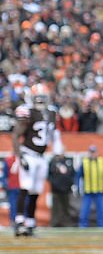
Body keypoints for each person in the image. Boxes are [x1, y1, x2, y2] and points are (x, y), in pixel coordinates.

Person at [13, 84, 62, 237]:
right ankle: (19, 221)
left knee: (36, 190)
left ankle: (30, 222)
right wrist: (19, 157)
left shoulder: (52, 113)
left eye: (43, 98)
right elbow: (15, 135)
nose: (40, 101)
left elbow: (55, 135)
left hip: (41, 157)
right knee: (25, 187)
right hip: (28, 154)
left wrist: (58, 154)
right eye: (37, 98)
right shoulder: (28, 112)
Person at [78, 145, 103, 228]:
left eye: (94, 152)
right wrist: (77, 187)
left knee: (101, 210)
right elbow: (78, 176)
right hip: (88, 190)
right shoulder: (84, 162)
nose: (93, 154)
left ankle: (102, 225)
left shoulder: (102, 161)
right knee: (85, 210)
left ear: (97, 152)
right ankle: (83, 225)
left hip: (99, 190)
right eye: (91, 152)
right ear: (89, 153)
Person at [47, 151, 76, 227]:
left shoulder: (69, 161)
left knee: (66, 207)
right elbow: (49, 175)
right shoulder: (53, 162)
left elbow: (73, 173)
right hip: (56, 189)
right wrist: (54, 183)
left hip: (66, 189)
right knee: (55, 207)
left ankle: (67, 223)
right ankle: (54, 223)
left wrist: (70, 183)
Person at [2, 153, 20, 228]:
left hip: (22, 186)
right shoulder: (9, 160)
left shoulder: (26, 159)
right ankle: (13, 221)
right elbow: (5, 175)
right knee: (14, 205)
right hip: (13, 186)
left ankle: (22, 221)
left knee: (24, 205)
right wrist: (6, 184)